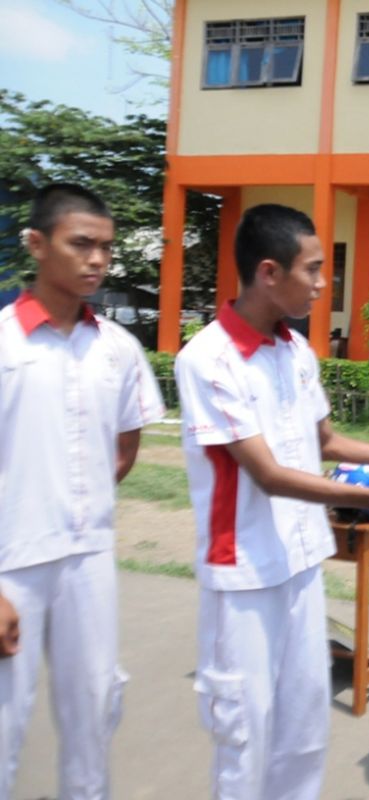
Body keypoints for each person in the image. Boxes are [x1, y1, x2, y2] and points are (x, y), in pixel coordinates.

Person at [173, 204, 369, 799]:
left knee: (303, 732)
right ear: (269, 272)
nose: (324, 284)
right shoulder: (208, 360)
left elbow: (323, 442)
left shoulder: (295, 351)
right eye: (315, 270)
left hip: (300, 564)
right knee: (243, 736)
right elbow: (269, 474)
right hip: (242, 576)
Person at [0, 183, 165, 799]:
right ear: (38, 244)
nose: (97, 259)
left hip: (88, 557)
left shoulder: (118, 350)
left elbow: (122, 450)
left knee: (94, 710)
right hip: (11, 562)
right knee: (4, 722)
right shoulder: (5, 343)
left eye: (106, 247)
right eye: (81, 245)